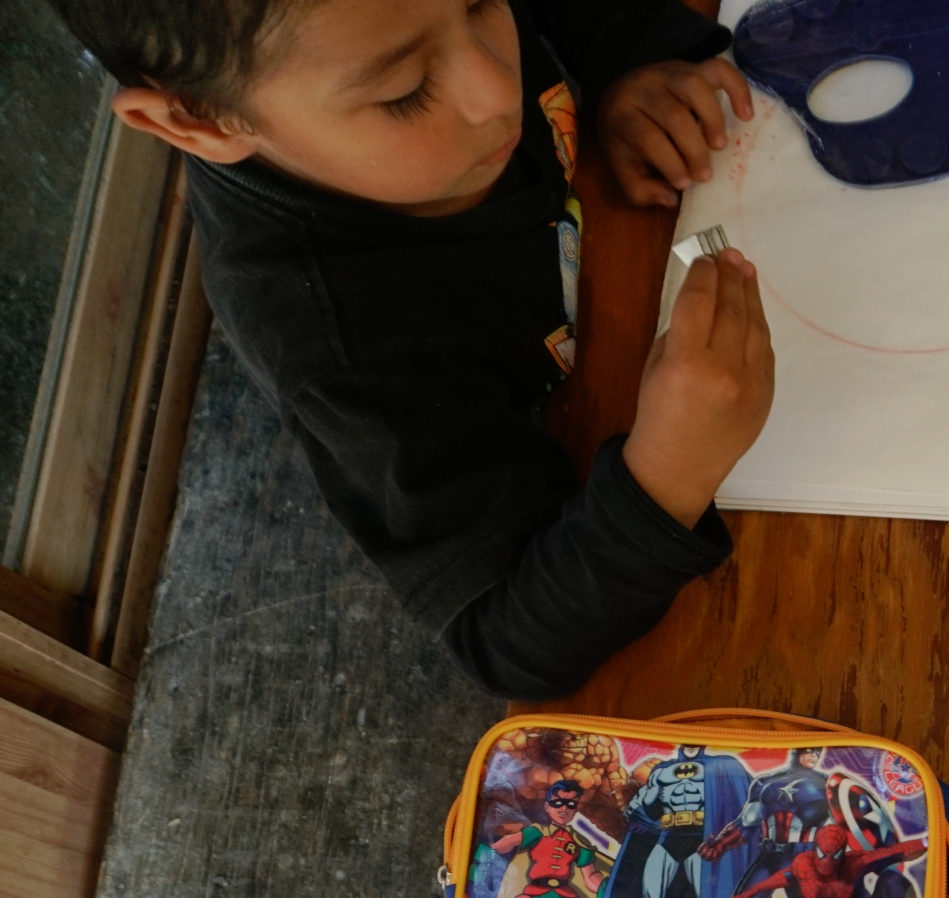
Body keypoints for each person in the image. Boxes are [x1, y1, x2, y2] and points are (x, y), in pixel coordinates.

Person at [56, 0, 776, 698]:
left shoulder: (396, 24)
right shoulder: (348, 354)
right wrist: (667, 476)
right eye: (403, 93)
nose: (498, 91)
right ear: (197, 120)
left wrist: (626, 58)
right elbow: (511, 642)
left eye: (482, 3)